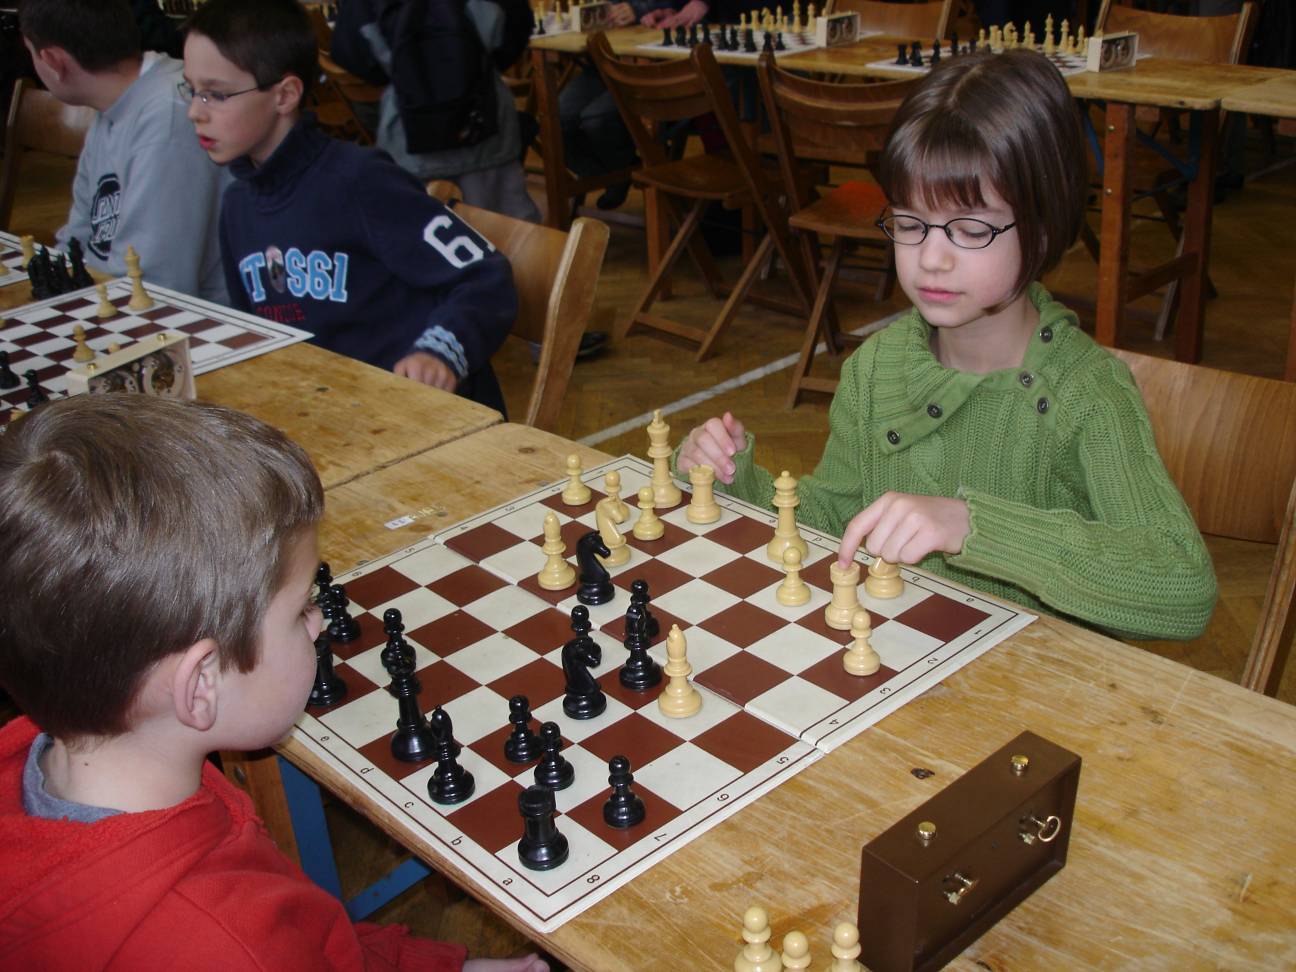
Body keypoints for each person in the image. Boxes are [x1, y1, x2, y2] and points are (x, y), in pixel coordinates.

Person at [677, 50, 1217, 641]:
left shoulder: (1085, 393)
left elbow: (1184, 589)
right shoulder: (876, 368)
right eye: (910, 224)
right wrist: (733, 481)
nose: (931, 257)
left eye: (971, 228)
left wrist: (974, 527)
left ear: (1041, 230)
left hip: (1040, 678)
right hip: (901, 656)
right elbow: (836, 521)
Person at [0, 395, 550, 972]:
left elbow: (317, 944)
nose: (318, 624)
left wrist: (447, 967)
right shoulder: (232, 947)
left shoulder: (77, 783)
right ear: (200, 685)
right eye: (300, 610)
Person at [185, 0, 517, 412]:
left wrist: (440, 353)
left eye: (216, 94)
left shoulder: (360, 181)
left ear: (285, 95)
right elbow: (258, 334)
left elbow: (485, 276)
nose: (194, 112)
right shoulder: (236, 205)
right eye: (191, 89)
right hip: (326, 412)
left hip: (421, 413)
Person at [19, 0, 227, 302]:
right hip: (115, 300)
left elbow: (157, 282)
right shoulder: (112, 106)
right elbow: (78, 237)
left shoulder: (168, 116)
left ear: (53, 60)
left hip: (180, 319)